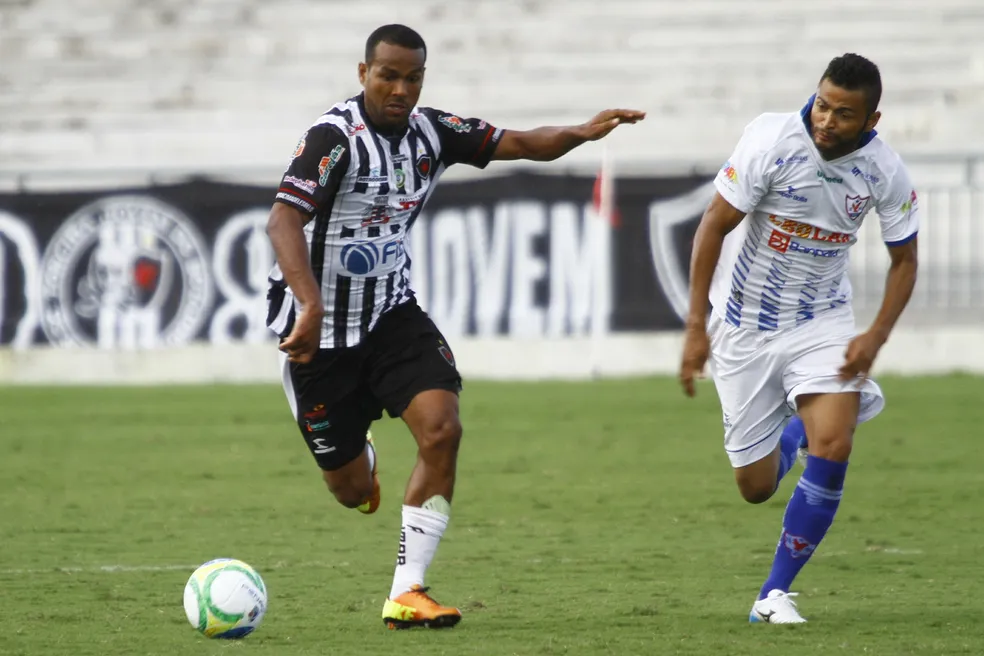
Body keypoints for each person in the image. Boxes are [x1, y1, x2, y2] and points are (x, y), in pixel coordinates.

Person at [265, 23, 644, 630]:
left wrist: (581, 131)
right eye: (388, 75)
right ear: (363, 74)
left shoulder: (432, 132)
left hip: (392, 316)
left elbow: (519, 142)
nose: (400, 88)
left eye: (413, 77)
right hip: (320, 337)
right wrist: (309, 305)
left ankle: (407, 591)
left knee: (442, 429)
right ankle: (356, 454)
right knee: (351, 492)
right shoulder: (332, 138)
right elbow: (283, 223)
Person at [678, 53, 919, 624]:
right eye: (822, 104)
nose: (826, 120)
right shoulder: (771, 139)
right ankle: (793, 432)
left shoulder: (884, 171)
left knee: (834, 445)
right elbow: (713, 224)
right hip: (744, 327)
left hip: (823, 324)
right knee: (755, 487)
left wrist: (875, 337)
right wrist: (694, 328)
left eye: (843, 113)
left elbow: (905, 261)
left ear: (871, 119)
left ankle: (773, 594)